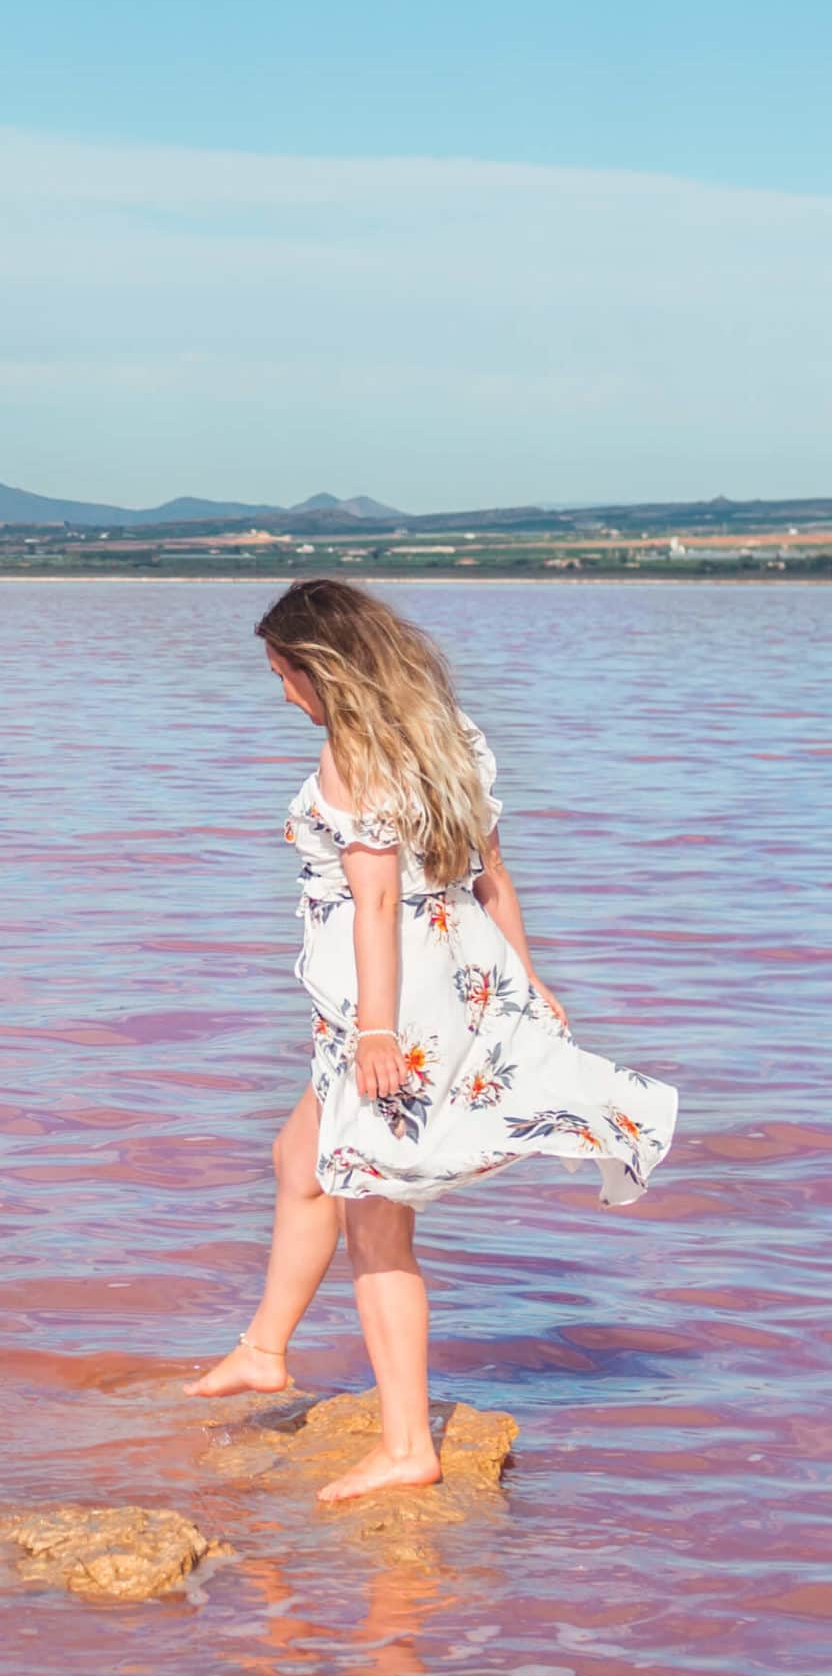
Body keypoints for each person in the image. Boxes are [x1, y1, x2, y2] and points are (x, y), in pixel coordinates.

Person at [186, 578, 677, 1503]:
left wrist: (375, 1029)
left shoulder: (353, 757)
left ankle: (407, 1443)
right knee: (300, 1157)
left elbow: (376, 902)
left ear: (322, 672)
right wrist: (526, 981)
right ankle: (262, 1351)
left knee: (374, 1218)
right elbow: (494, 880)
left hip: (395, 1007)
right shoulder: (454, 737)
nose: (281, 693)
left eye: (285, 674)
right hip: (453, 979)